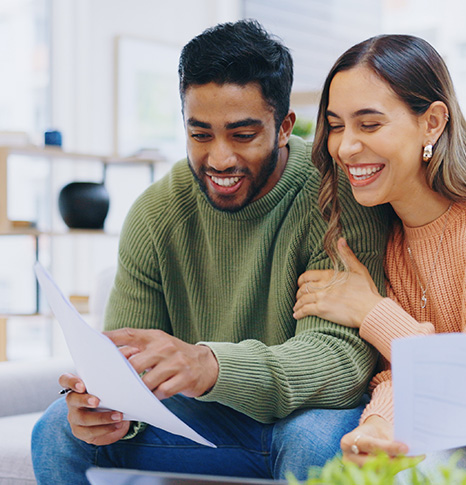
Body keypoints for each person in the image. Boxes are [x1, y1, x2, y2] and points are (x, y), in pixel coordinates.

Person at [31, 20, 390, 484]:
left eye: (242, 135)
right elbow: (126, 361)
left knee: (315, 442)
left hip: (301, 419)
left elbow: (339, 364)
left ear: (283, 128)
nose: (220, 159)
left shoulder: (333, 197)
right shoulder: (157, 214)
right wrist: (109, 409)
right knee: (55, 430)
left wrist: (212, 365)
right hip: (203, 423)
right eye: (201, 134)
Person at [292, 33, 466, 478]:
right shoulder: (388, 237)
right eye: (337, 125)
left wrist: (371, 310)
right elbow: (403, 373)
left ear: (433, 122)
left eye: (370, 124)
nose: (344, 147)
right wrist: (380, 425)